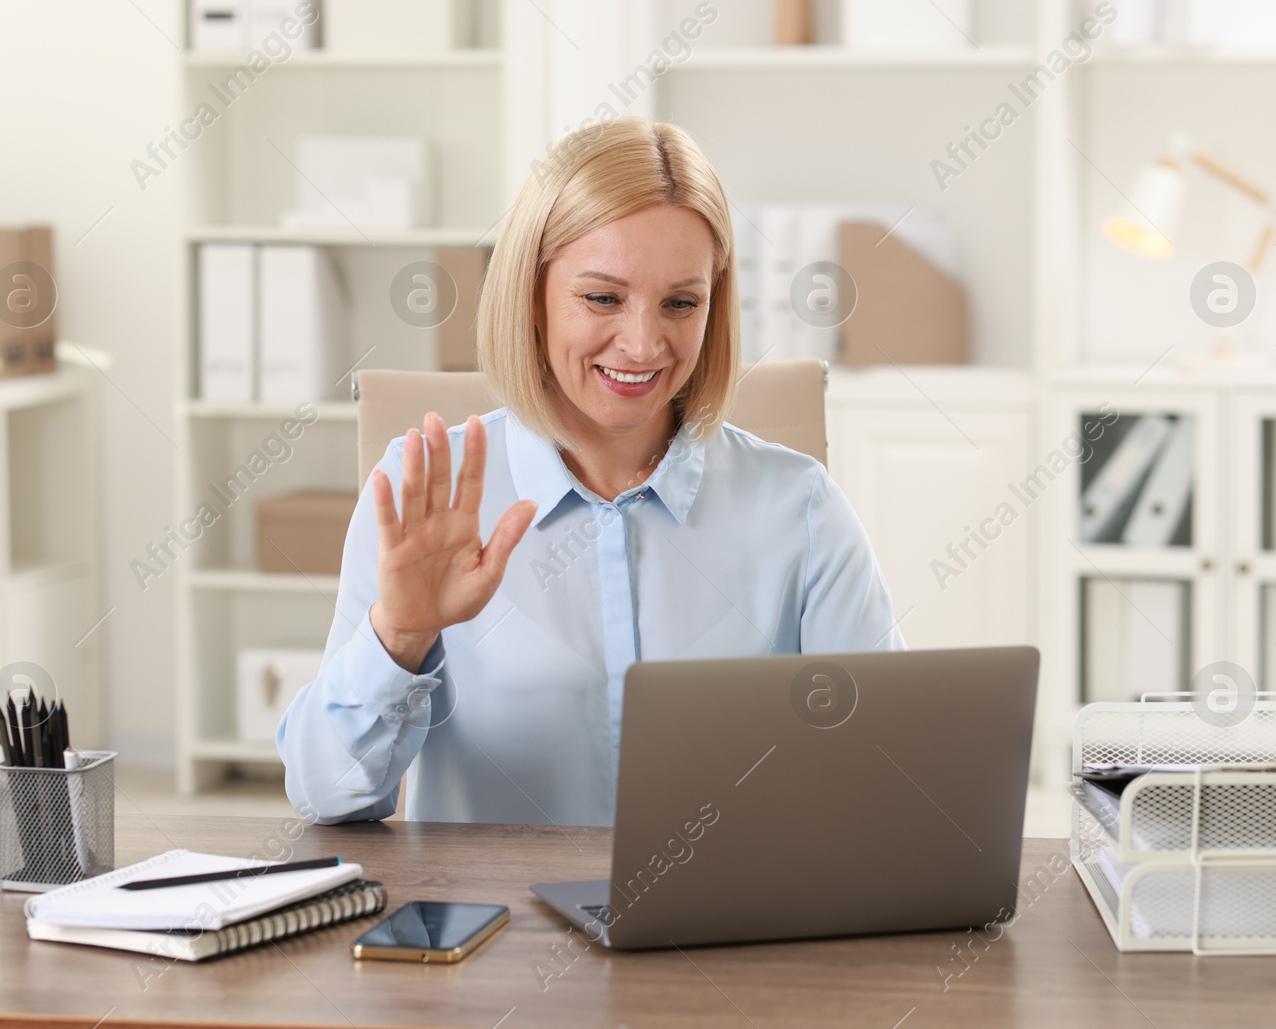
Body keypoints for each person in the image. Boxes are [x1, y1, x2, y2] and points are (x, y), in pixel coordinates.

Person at [278, 117, 905, 826]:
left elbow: (889, 776)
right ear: (532, 297)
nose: (642, 344)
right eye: (602, 297)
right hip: (497, 930)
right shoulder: (425, 495)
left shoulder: (802, 511)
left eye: (680, 302)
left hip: (730, 934)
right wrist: (399, 635)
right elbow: (323, 795)